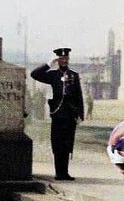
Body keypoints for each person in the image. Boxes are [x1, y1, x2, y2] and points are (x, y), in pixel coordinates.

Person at [31, 48, 84, 181]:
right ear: (58, 60)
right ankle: (58, 172)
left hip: (70, 115)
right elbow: (34, 74)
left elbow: (79, 96)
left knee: (67, 144)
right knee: (57, 143)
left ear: (68, 60)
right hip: (58, 114)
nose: (64, 61)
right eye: (61, 59)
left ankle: (64, 172)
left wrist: (80, 114)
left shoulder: (73, 75)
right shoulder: (53, 75)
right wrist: (49, 64)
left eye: (66, 59)